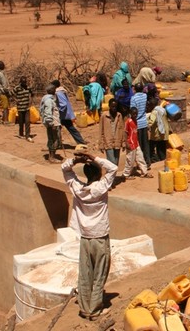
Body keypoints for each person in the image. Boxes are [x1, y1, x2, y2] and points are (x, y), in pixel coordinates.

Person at [61, 151, 117, 321]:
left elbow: (65, 168)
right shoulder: (100, 188)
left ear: (86, 174)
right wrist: (93, 157)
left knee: (85, 273)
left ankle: (85, 308)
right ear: (99, 174)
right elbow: (113, 168)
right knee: (99, 274)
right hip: (100, 237)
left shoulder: (78, 189)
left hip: (85, 238)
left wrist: (76, 160)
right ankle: (94, 310)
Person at [54, 80, 87, 145]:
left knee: (57, 129)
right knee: (70, 128)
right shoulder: (62, 91)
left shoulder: (58, 92)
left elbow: (63, 104)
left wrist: (58, 110)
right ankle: (81, 142)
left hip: (62, 115)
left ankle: (57, 144)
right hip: (66, 113)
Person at [123, 107, 152, 179]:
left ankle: (144, 172)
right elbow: (125, 133)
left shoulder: (135, 120)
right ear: (130, 114)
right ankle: (126, 174)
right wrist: (126, 143)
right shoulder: (128, 122)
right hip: (131, 144)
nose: (135, 115)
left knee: (140, 158)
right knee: (130, 160)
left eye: (136, 114)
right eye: (133, 114)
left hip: (136, 143)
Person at [40, 84, 62, 163]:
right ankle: (52, 157)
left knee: (52, 139)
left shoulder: (48, 99)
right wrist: (51, 123)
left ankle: (51, 156)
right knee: (55, 140)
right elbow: (48, 112)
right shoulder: (49, 100)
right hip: (53, 123)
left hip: (53, 122)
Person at [130, 83, 151, 168]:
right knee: (145, 144)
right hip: (144, 123)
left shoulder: (133, 98)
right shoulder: (145, 96)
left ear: (135, 89)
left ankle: (141, 164)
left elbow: (132, 111)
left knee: (139, 146)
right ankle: (148, 162)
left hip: (137, 124)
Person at [99, 98, 124, 166]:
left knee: (116, 163)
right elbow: (101, 130)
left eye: (115, 106)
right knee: (111, 163)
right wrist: (101, 144)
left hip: (117, 141)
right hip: (108, 142)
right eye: (112, 106)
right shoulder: (104, 116)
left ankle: (113, 176)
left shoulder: (119, 115)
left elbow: (122, 129)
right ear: (109, 106)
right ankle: (111, 176)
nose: (114, 108)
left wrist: (123, 142)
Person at [148, 97, 169, 162]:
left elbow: (151, 122)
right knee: (162, 148)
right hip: (165, 132)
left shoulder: (154, 112)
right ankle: (163, 160)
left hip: (157, 133)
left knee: (151, 146)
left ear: (152, 105)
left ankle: (155, 160)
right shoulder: (163, 109)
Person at [13, 76, 33, 142]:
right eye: (23, 82)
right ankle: (21, 134)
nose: (24, 84)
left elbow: (32, 94)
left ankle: (27, 135)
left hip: (27, 107)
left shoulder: (28, 87)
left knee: (27, 122)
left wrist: (30, 101)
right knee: (21, 122)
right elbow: (11, 94)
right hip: (20, 108)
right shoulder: (17, 88)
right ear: (20, 82)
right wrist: (16, 100)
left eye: (25, 82)